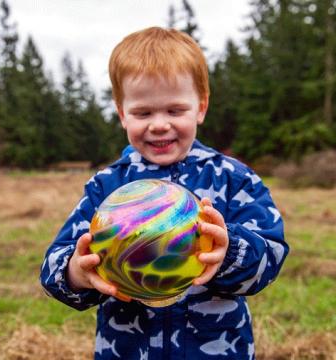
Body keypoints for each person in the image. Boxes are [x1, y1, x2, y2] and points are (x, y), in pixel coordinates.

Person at [40, 26, 289, 359]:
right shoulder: (107, 187)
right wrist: (77, 272)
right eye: (143, 113)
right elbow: (54, 266)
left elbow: (271, 257)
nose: (159, 124)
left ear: (200, 107)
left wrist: (227, 251)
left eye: (175, 110)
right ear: (122, 114)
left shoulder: (232, 179)